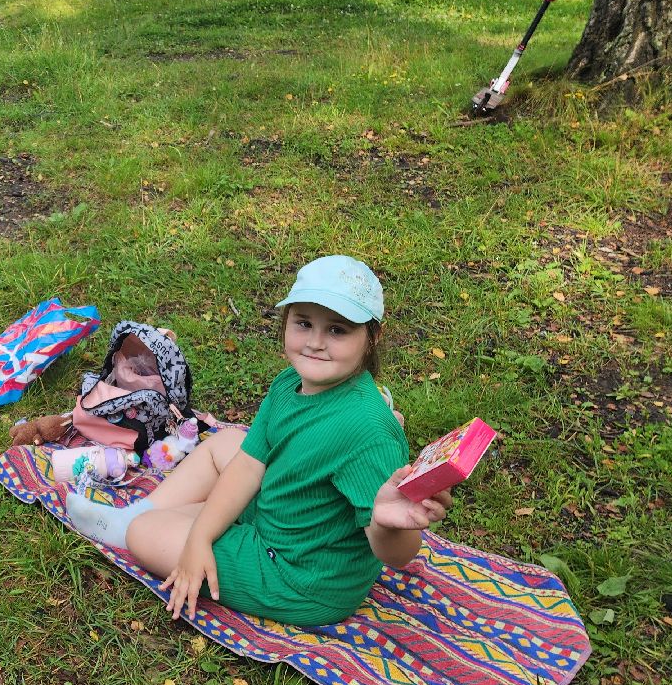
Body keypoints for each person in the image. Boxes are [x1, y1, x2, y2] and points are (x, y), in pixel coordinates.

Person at [66, 255, 453, 626]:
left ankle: (135, 527)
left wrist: (389, 525)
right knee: (227, 444)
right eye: (304, 323)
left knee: (145, 534)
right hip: (284, 514)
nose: (316, 342)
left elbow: (398, 555)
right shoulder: (290, 383)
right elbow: (249, 465)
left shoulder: (368, 431)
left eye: (337, 330)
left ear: (372, 337)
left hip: (298, 576)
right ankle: (134, 516)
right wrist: (201, 536)